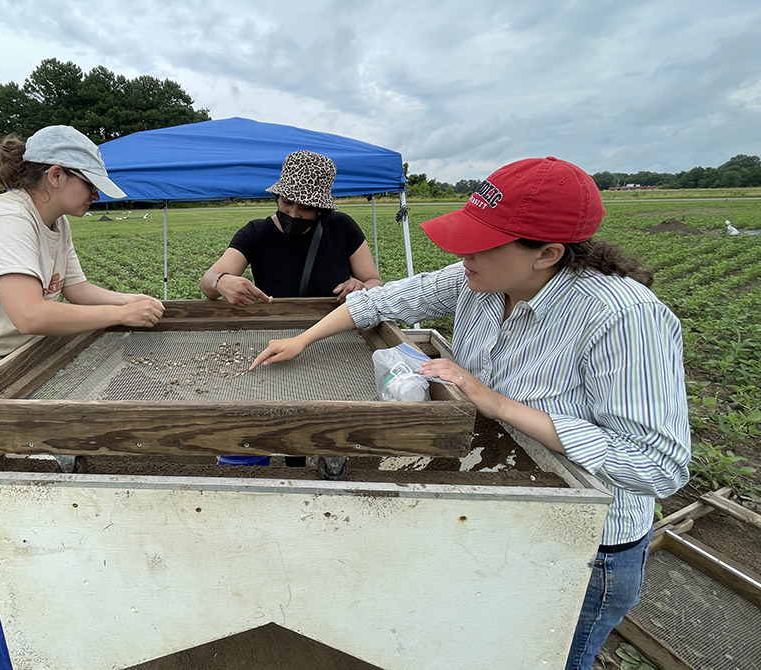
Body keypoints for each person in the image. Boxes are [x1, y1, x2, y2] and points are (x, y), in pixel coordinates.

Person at [249, 156, 691, 670]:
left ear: (546, 253)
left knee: (543, 656)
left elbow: (657, 466)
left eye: (480, 243)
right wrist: (302, 339)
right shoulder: (476, 280)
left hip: (584, 545)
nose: (462, 255)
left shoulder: (622, 317)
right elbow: (380, 300)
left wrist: (495, 402)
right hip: (507, 508)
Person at [0, 125, 164, 668]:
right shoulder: (6, 218)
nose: (94, 196)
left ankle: (56, 571)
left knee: (32, 474)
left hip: (1, 364)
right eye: (89, 185)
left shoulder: (54, 221)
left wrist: (133, 300)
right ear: (55, 175)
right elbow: (31, 313)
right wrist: (119, 315)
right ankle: (16, 595)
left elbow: (76, 290)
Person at [200, 150, 383, 306]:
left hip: (333, 330)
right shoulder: (256, 233)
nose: (294, 214)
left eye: (306, 207)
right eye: (287, 202)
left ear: (321, 209)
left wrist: (363, 287)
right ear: (277, 197)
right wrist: (220, 282)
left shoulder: (342, 228)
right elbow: (208, 281)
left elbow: (375, 282)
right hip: (276, 330)